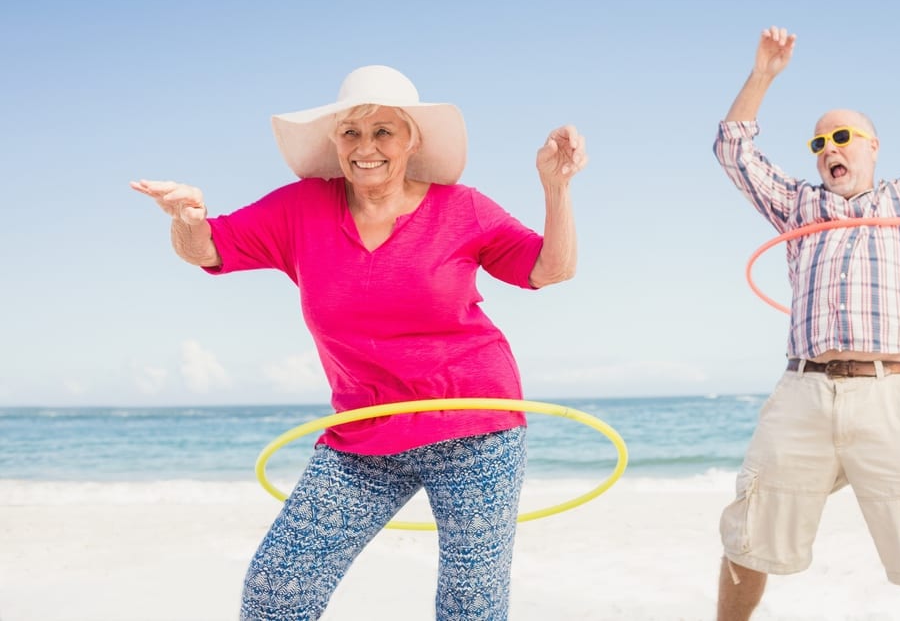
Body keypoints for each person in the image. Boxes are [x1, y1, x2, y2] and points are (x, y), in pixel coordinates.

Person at [132, 64, 586, 620]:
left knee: (471, 603)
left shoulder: (461, 207)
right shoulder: (301, 208)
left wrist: (556, 188)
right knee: (278, 588)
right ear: (335, 142)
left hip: (474, 421)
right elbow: (207, 248)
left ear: (412, 140)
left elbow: (549, 269)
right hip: (364, 432)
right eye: (351, 132)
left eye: (383, 131)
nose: (365, 147)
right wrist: (186, 217)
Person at [712, 0, 900, 620]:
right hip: (804, 392)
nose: (829, 150)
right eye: (819, 143)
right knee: (748, 537)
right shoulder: (798, 207)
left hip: (888, 393)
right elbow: (733, 149)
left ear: (873, 148)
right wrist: (763, 73)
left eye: (842, 138)